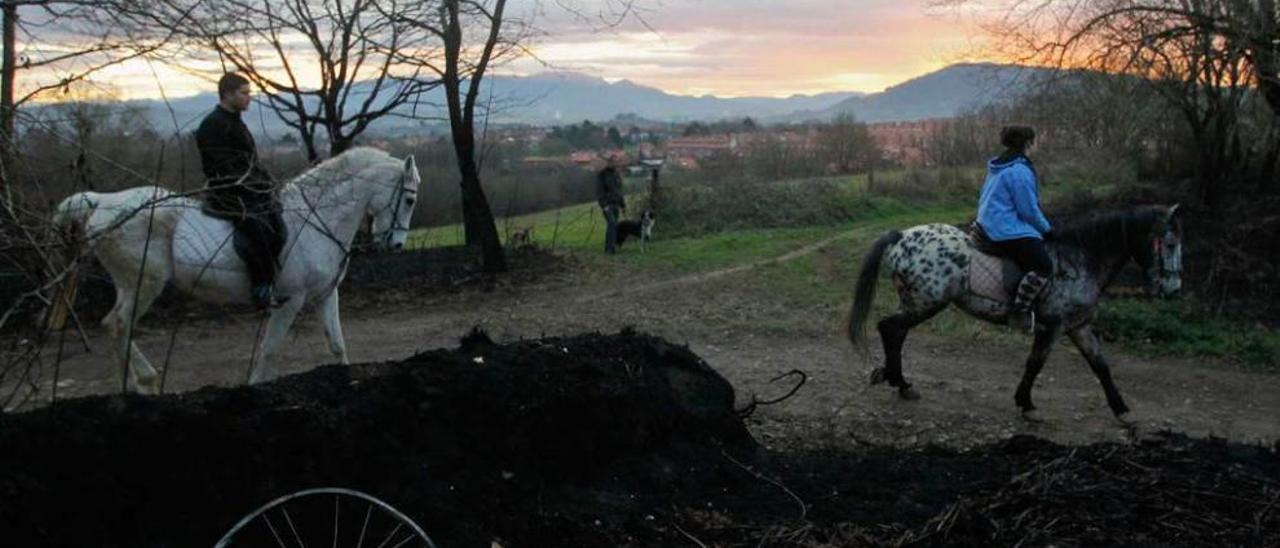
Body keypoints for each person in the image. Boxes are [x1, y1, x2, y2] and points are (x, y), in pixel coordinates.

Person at [195, 72, 285, 309]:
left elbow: (250, 161)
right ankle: (260, 287)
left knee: (278, 223)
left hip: (249, 189)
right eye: (244, 93)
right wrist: (251, 183)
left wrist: (267, 180)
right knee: (258, 228)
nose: (249, 98)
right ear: (228, 94)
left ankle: (276, 279)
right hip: (227, 193)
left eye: (249, 93)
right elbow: (220, 167)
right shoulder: (213, 124)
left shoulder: (235, 120)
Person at [975, 125, 1053, 332]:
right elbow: (1028, 210)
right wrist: (1047, 229)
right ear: (1028, 143)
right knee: (1044, 265)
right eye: (1035, 142)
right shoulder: (1019, 171)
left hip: (988, 221)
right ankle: (1020, 312)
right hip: (1004, 229)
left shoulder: (1000, 164)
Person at [595, 153, 626, 254]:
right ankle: (609, 248)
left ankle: (611, 246)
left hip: (616, 203)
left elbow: (619, 191)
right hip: (607, 204)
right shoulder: (602, 174)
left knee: (614, 225)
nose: (615, 164)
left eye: (617, 162)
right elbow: (599, 191)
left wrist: (623, 204)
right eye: (613, 162)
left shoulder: (616, 175)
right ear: (609, 162)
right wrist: (604, 206)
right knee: (612, 223)